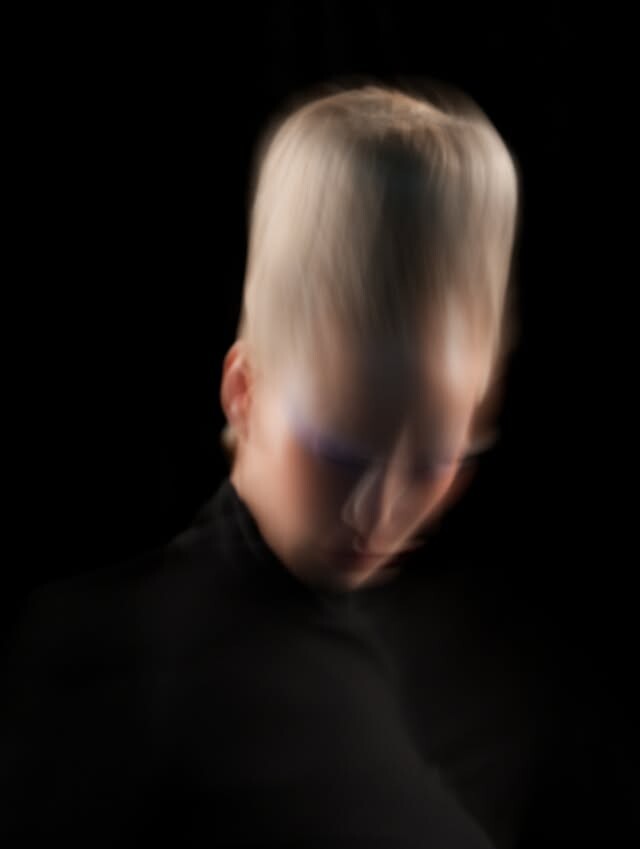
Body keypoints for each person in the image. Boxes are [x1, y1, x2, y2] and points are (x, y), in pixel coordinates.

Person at [3, 80, 521, 846]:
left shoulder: (450, 662)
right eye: (341, 451)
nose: (378, 513)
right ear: (243, 390)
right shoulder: (104, 666)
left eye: (434, 460)